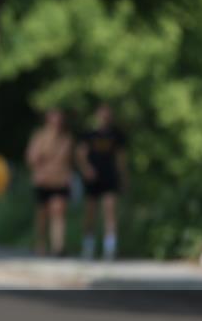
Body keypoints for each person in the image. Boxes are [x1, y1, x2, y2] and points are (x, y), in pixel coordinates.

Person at [76, 103, 128, 260]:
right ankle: (88, 246)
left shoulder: (116, 135)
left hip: (110, 178)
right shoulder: (89, 135)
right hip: (93, 179)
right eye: (102, 114)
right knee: (90, 214)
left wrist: (123, 177)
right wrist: (86, 170)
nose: (105, 117)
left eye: (107, 114)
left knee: (110, 212)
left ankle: (110, 248)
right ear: (97, 115)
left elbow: (121, 159)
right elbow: (80, 154)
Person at [24, 109, 74, 257]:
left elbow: (69, 160)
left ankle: (58, 245)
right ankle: (41, 242)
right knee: (42, 214)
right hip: (43, 180)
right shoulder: (40, 137)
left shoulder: (67, 139)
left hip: (60, 180)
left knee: (59, 210)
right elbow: (32, 158)